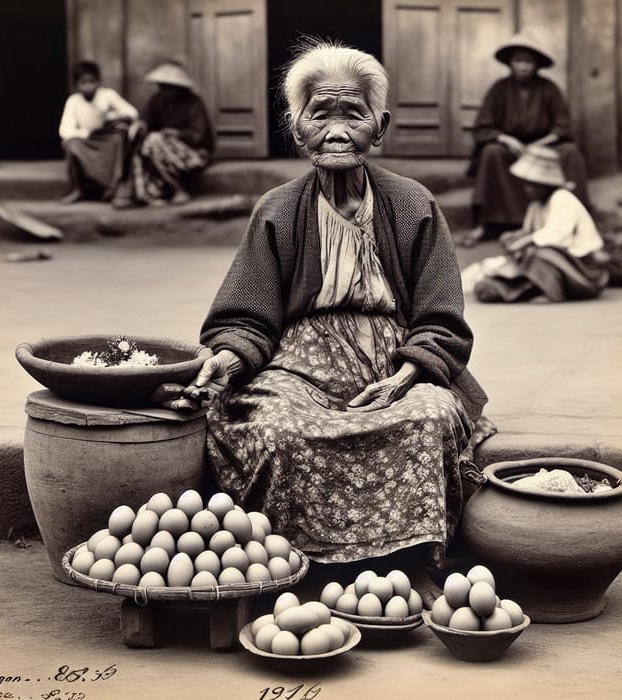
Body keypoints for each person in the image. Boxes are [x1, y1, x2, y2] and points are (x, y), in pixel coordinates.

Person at [151, 41, 494, 604]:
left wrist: (408, 375)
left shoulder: (413, 205)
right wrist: (229, 358)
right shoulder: (278, 210)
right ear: (296, 126)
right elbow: (245, 314)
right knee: (277, 430)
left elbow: (441, 317)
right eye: (320, 114)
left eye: (353, 113)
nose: (336, 129)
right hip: (296, 367)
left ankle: (406, 562)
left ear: (379, 126)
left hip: (392, 366)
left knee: (431, 415)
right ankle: (292, 567)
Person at [461, 29, 590, 247]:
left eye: (528, 61)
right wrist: (506, 139)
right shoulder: (499, 89)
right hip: (510, 149)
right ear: (510, 63)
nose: (523, 66)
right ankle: (487, 224)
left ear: (537, 65)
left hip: (544, 147)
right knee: (491, 153)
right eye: (518, 60)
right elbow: (483, 127)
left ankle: (574, 221)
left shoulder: (549, 89)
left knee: (571, 153)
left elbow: (563, 127)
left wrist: (537, 145)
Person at [470, 145, 609, 303]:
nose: (527, 190)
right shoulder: (536, 205)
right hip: (560, 263)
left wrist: (524, 241)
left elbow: (556, 236)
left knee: (539, 254)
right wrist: (515, 236)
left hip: (584, 268)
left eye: (532, 185)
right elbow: (531, 231)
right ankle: (524, 287)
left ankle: (551, 292)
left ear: (545, 185)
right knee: (510, 267)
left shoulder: (562, 198)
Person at [58, 60, 142, 206]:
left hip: (107, 138)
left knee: (118, 140)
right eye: (83, 82)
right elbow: (64, 130)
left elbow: (132, 112)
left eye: (92, 81)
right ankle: (77, 189)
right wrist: (86, 133)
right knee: (71, 145)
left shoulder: (108, 95)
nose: (88, 86)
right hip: (87, 139)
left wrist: (113, 116)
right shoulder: (73, 101)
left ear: (99, 81)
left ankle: (114, 187)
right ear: (76, 84)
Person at [132, 61, 215, 206]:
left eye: (168, 88)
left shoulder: (193, 102)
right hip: (162, 151)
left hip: (193, 153)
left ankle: (179, 189)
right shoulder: (157, 100)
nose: (164, 91)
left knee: (154, 141)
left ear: (179, 88)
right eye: (162, 86)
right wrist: (140, 126)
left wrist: (176, 134)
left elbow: (199, 135)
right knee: (145, 141)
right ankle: (147, 191)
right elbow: (147, 121)